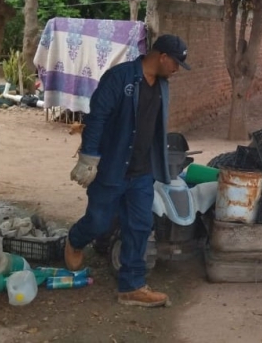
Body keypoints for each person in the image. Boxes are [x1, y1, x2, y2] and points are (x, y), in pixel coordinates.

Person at [65, 34, 191, 307]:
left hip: (142, 171)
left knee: (140, 225)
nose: (176, 69)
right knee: (99, 222)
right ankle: (75, 239)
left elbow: (154, 126)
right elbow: (96, 118)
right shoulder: (119, 78)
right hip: (112, 166)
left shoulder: (162, 86)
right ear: (162, 57)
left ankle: (131, 286)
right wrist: (89, 158)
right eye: (176, 63)